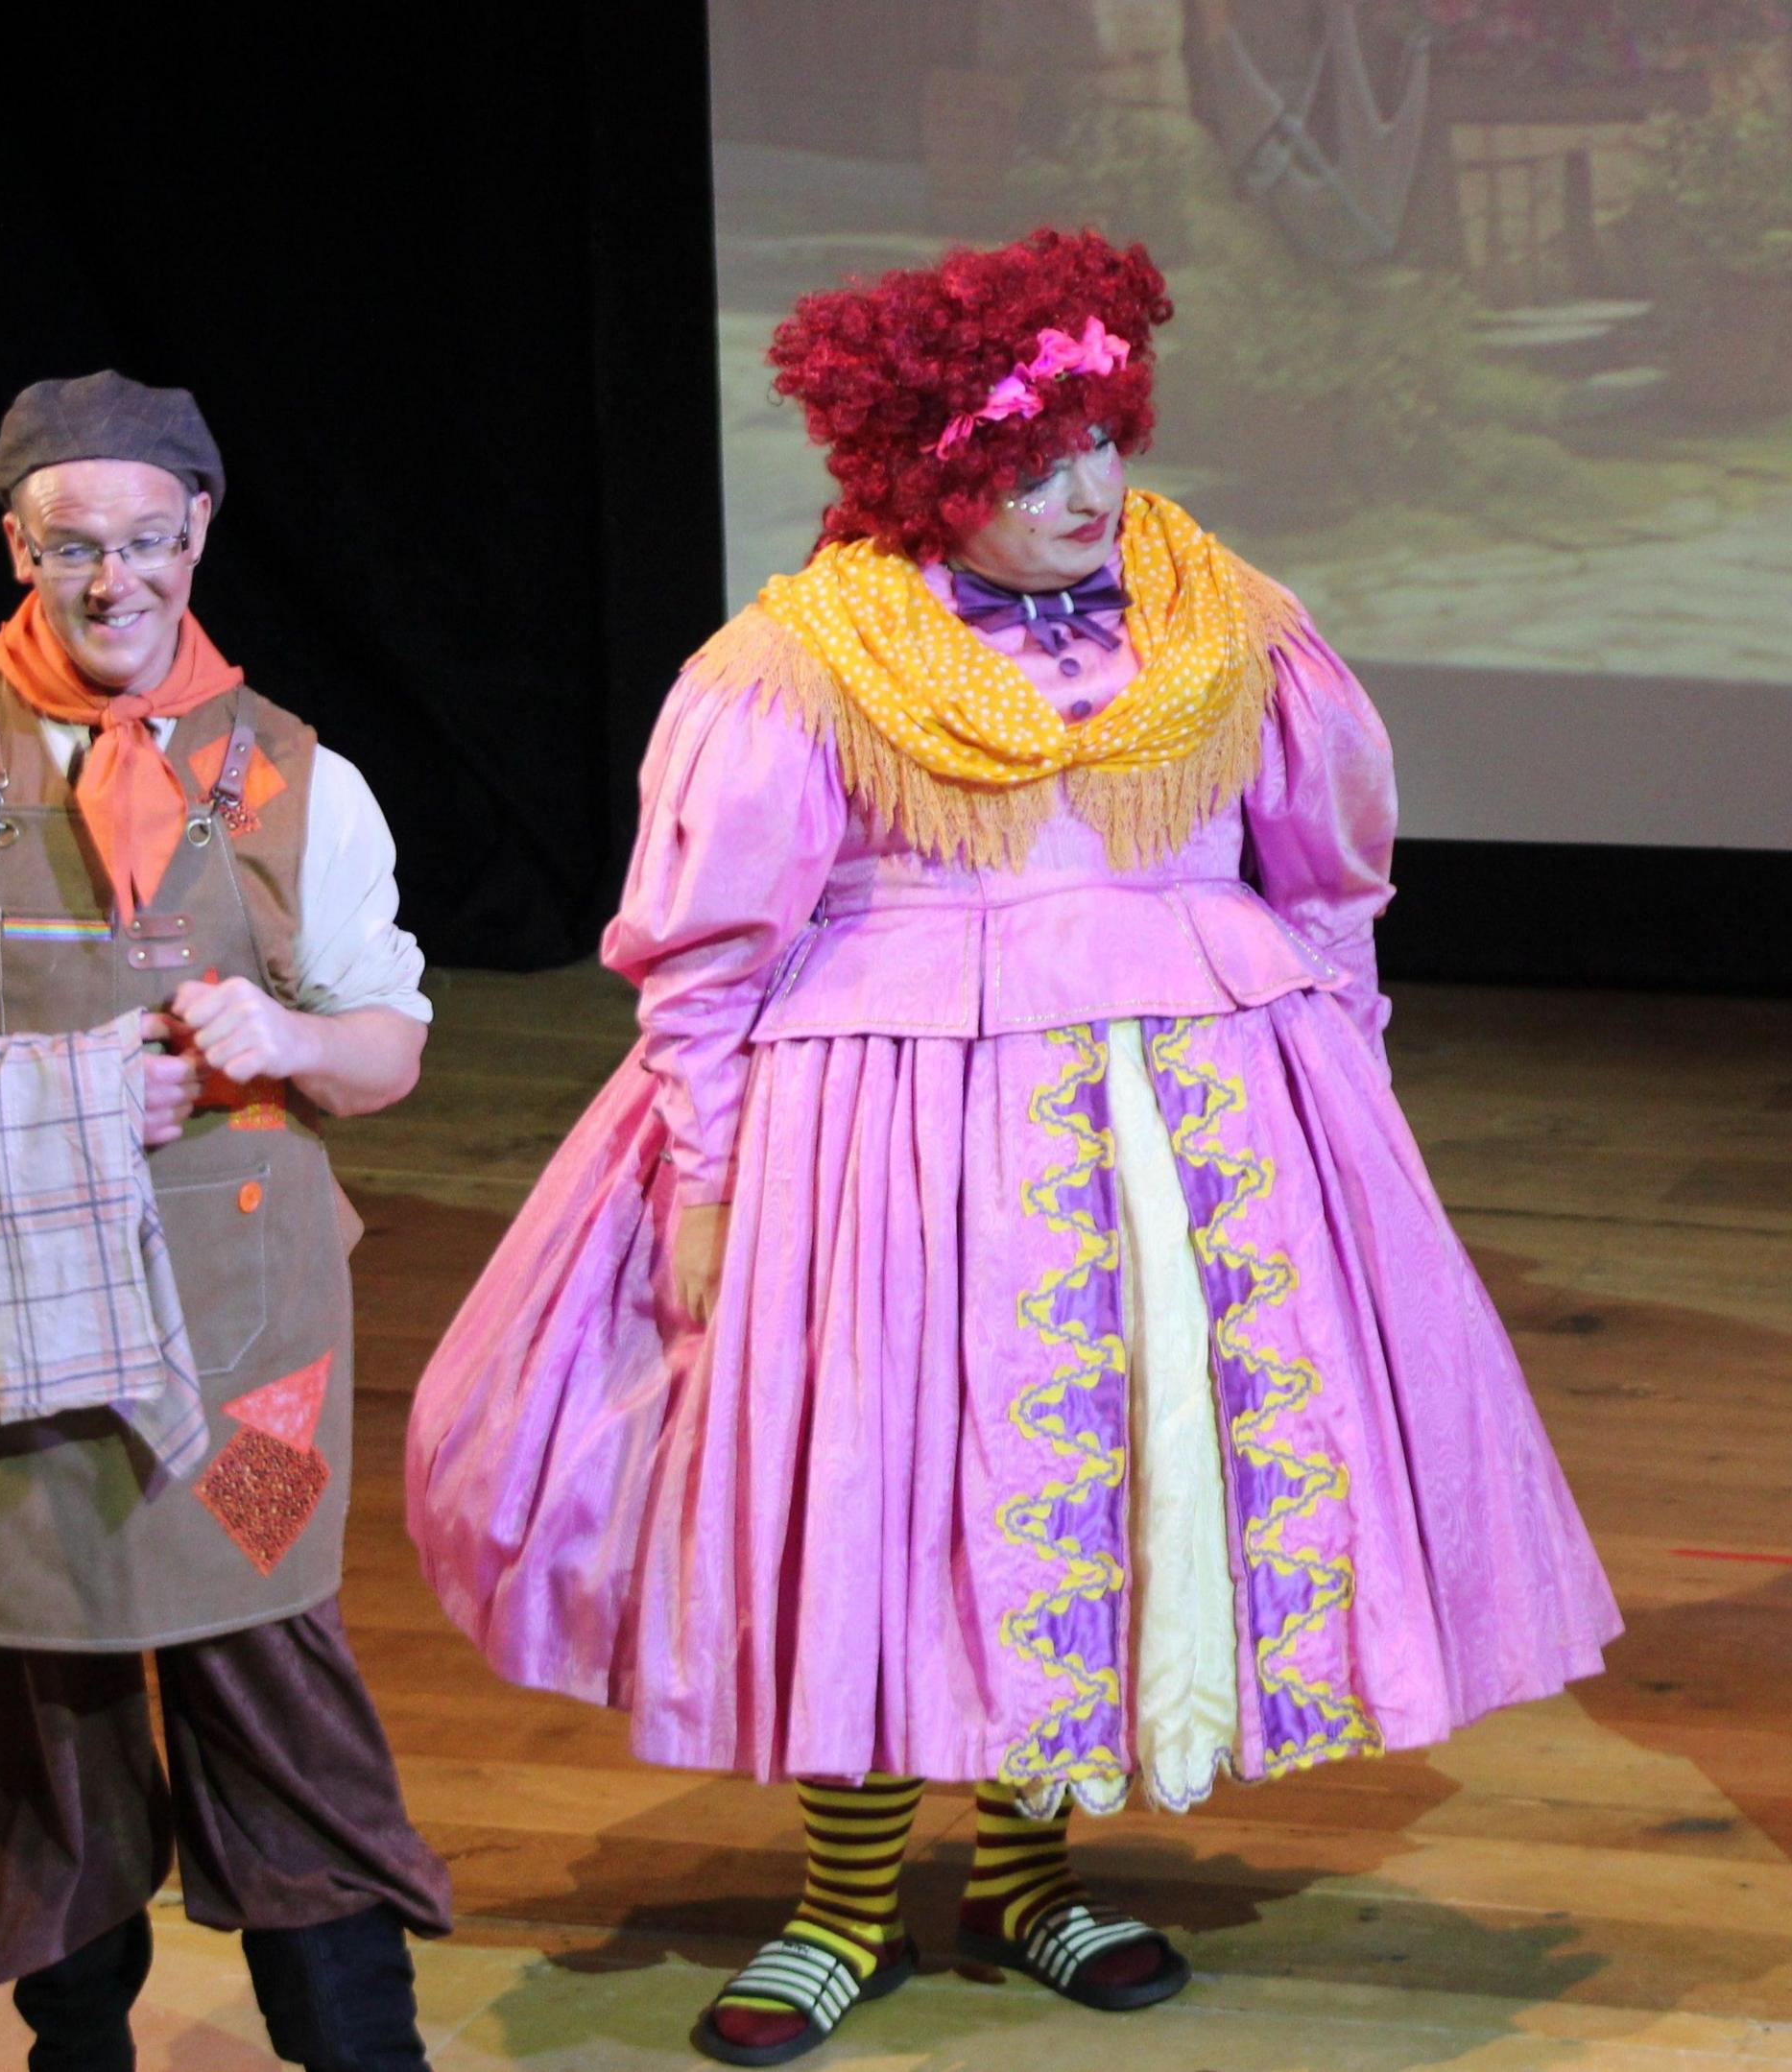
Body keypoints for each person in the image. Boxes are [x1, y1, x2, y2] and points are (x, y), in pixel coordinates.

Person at [402, 229, 1622, 2066]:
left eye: (1103, 443)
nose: (1088, 491)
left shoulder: (1229, 622)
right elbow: (709, 949)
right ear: (928, 477)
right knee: (884, 1490)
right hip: (886, 1140)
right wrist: (714, 1176)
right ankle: (841, 1899)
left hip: (1195, 1123)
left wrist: (1347, 1093)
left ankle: (1035, 1869)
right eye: (1028, 463)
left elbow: (1333, 879)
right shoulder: (803, 661)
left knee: (1118, 1474)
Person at [0, 372, 450, 2071]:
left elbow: (386, 1051)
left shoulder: (297, 772)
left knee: (277, 1710)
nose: (113, 583)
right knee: (38, 1715)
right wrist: (32, 1077)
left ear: (198, 531)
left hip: (241, 1329)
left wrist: (287, 1039)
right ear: (17, 540)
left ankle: (364, 2060)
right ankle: (78, 2057)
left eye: (147, 541)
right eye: (73, 546)